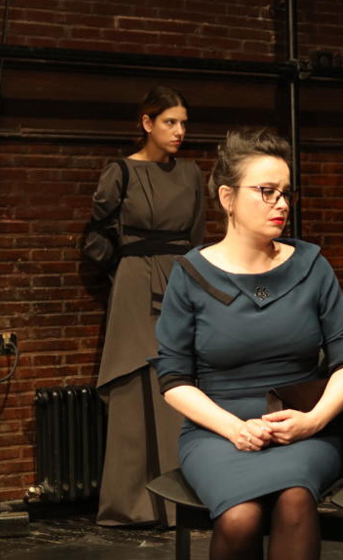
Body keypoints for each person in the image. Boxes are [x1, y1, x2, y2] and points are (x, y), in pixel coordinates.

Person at [149, 128, 343, 560]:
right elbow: (174, 379)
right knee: (240, 517)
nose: (280, 204)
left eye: (285, 193)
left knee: (294, 499)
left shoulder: (312, 266)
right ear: (227, 198)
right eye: (266, 191)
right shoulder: (190, 275)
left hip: (302, 428)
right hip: (217, 430)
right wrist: (233, 428)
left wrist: (314, 421)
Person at [84, 86, 206, 527]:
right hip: (135, 284)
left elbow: (198, 237)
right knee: (136, 382)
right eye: (170, 122)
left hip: (181, 280)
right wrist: (122, 273)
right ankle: (132, 504)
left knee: (183, 380)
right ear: (147, 123)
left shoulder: (191, 173)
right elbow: (96, 236)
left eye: (184, 123)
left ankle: (187, 500)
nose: (179, 131)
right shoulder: (120, 171)